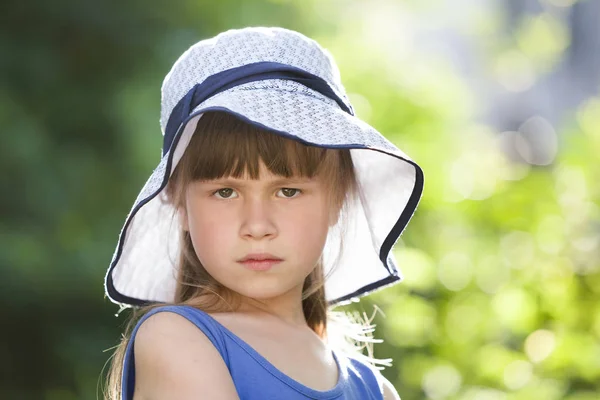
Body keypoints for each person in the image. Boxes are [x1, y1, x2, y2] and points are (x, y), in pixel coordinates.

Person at [103, 27, 424, 400]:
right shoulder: (177, 340)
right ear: (179, 202)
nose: (257, 226)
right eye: (225, 192)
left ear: (339, 198)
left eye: (288, 191)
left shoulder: (376, 389)